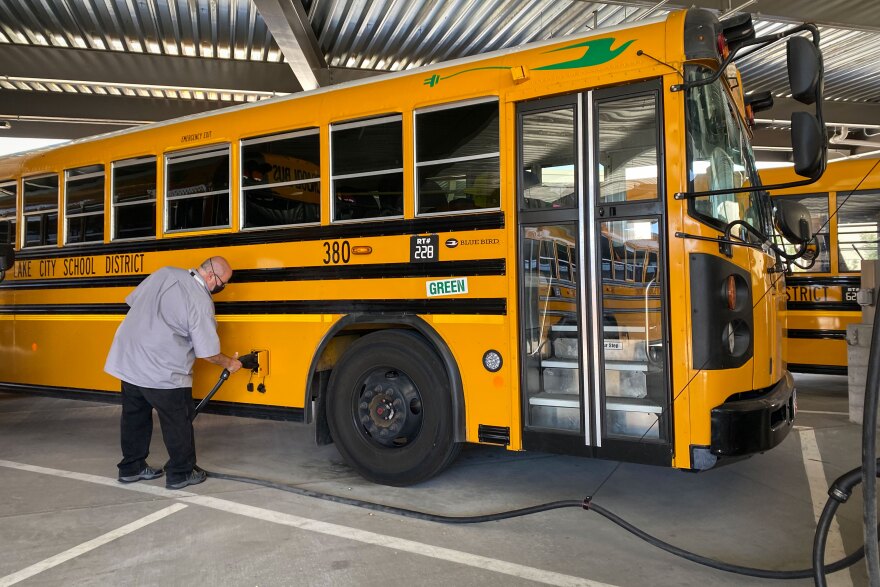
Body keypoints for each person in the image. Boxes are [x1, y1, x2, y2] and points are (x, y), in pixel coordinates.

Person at [105, 256, 242, 490]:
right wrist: (229, 363)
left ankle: (131, 468)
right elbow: (207, 353)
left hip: (128, 357)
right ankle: (181, 472)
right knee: (178, 419)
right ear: (211, 276)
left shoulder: (165, 272)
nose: (222, 288)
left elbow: (133, 301)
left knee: (134, 416)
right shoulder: (200, 300)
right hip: (161, 367)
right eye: (223, 283)